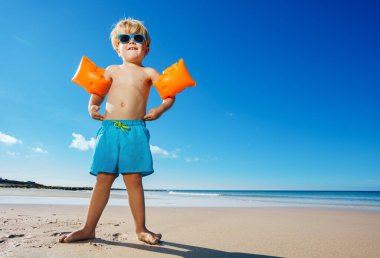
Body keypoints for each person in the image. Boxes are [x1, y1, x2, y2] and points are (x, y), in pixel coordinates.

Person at [59, 18, 175, 245]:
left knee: (134, 180)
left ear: (146, 48)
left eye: (138, 38)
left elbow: (169, 94)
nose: (131, 41)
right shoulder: (111, 70)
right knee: (103, 178)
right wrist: (92, 107)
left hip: (135, 131)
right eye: (125, 38)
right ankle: (88, 228)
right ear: (117, 47)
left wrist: (160, 109)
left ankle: (141, 229)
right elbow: (97, 93)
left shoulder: (149, 72)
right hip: (109, 130)